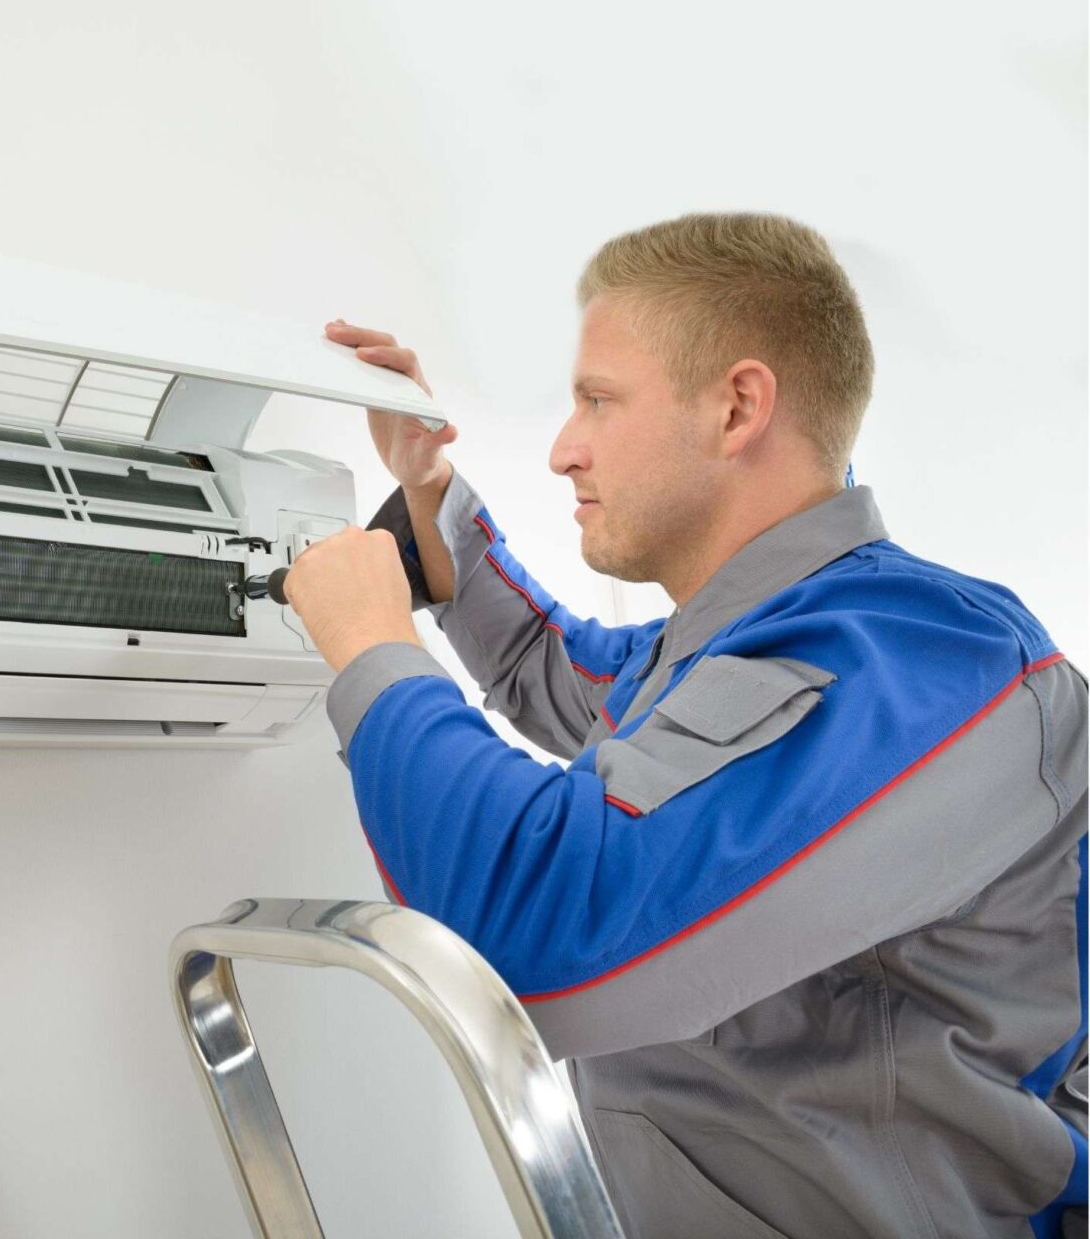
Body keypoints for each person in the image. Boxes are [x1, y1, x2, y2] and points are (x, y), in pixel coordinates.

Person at [282, 213, 1086, 1239]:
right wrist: (429, 494)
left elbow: (547, 924)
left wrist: (373, 651)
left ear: (739, 406)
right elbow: (560, 671)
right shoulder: (743, 645)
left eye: (597, 400)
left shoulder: (929, 662)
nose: (566, 448)